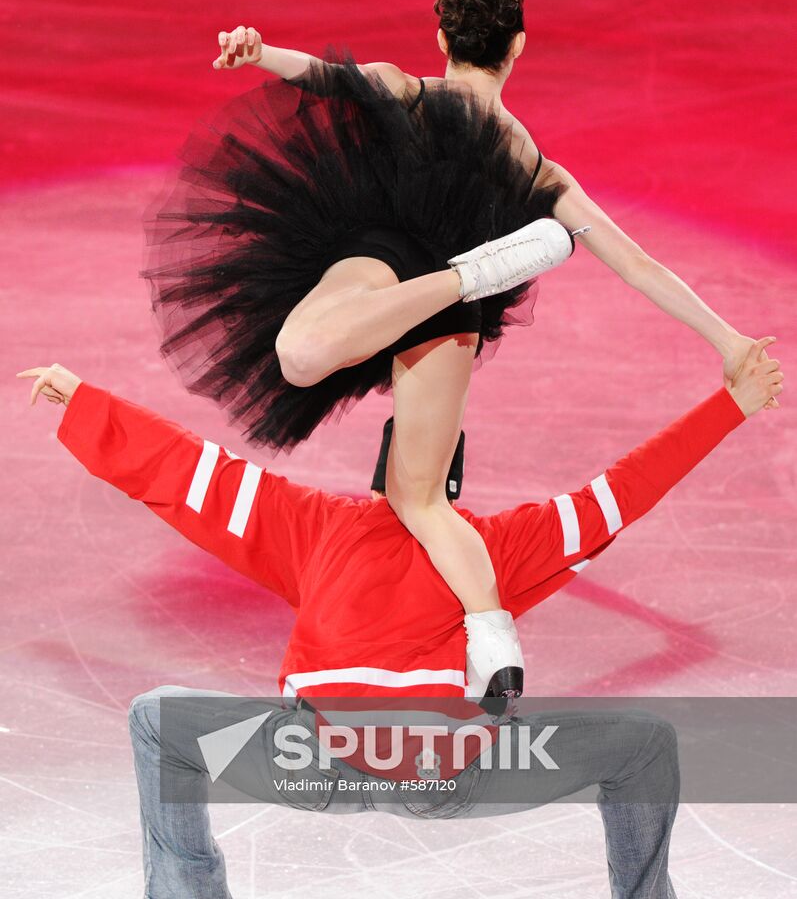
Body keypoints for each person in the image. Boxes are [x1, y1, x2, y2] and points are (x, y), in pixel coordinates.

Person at [138, 0, 773, 710]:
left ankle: (460, 277)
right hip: (451, 322)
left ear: (441, 37)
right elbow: (635, 264)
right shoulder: (532, 164)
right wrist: (727, 340)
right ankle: (491, 635)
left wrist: (256, 50)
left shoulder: (404, 89)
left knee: (296, 356)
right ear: (519, 47)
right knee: (421, 499)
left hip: (383, 267)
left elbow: (321, 77)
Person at [15, 336, 783, 898]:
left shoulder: (313, 524)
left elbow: (190, 476)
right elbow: (618, 494)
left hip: (311, 763)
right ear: (451, 477)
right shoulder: (493, 545)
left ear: (381, 469)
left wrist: (85, 404)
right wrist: (730, 406)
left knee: (158, 721)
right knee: (642, 747)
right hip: (447, 774)